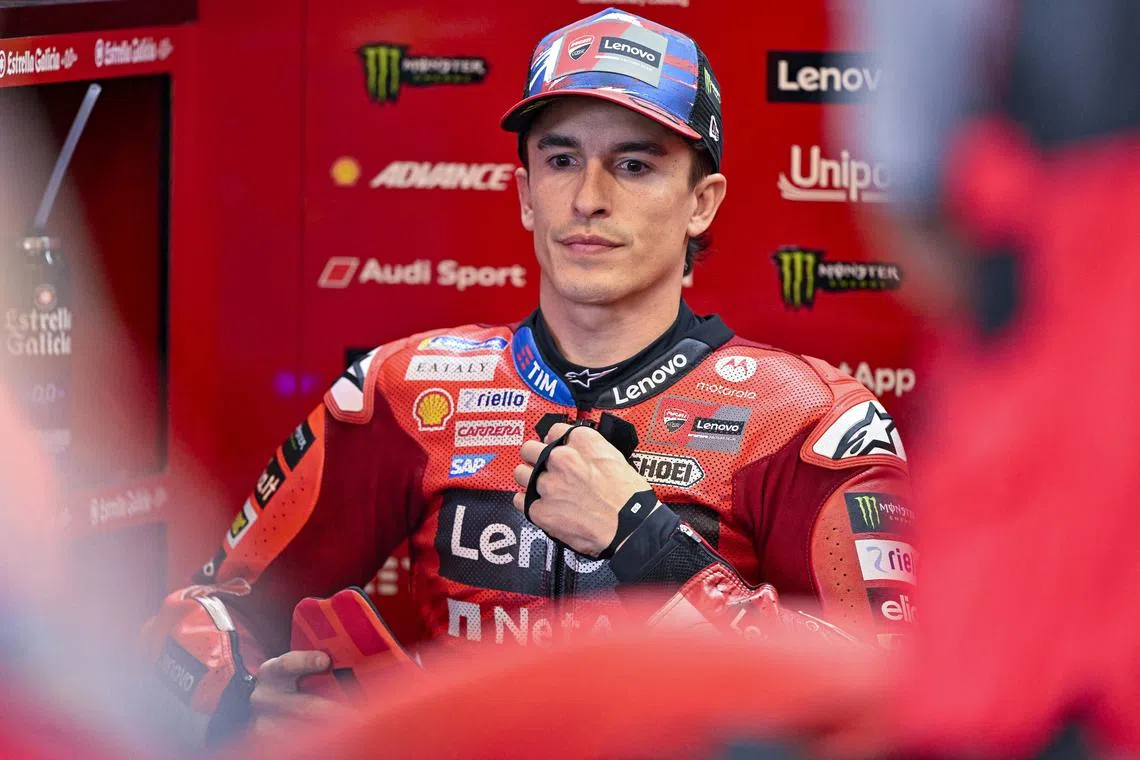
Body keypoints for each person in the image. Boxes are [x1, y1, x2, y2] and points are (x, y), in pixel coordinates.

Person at [140, 7, 913, 744]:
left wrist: (644, 539)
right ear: (524, 193)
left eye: (634, 165)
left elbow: (895, 692)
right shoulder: (406, 391)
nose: (589, 199)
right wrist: (239, 700)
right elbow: (207, 608)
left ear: (701, 204)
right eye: (561, 159)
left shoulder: (807, 420)